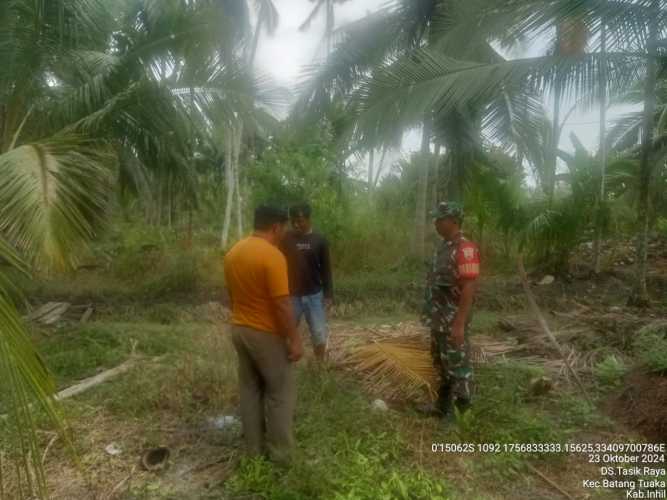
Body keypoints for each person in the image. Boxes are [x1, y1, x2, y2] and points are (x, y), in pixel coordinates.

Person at [224, 205, 304, 463]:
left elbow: (233, 295)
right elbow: (282, 305)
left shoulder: (233, 252)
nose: (285, 233)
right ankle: (282, 456)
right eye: (284, 228)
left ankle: (254, 452)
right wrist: (294, 339)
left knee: (249, 390)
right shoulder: (272, 256)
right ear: (275, 227)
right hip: (265, 334)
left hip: (239, 329)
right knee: (280, 392)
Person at [420, 201, 480, 417]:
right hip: (438, 320)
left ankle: (460, 413)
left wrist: (459, 324)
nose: (435, 223)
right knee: (441, 364)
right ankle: (442, 407)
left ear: (454, 220)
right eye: (435, 219)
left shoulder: (465, 249)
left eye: (440, 219)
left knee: (458, 366)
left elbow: (469, 287)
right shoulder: (444, 248)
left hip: (453, 321)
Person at [281, 203, 333, 362]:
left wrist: (329, 295)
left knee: (319, 334)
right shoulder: (286, 238)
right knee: (285, 332)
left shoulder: (320, 240)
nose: (296, 224)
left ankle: (320, 365)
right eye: (293, 221)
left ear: (309, 219)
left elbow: (326, 269)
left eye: (300, 220)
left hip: (314, 296)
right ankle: (285, 363)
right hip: (292, 296)